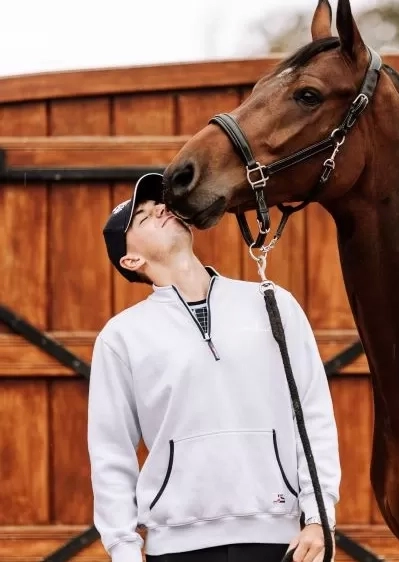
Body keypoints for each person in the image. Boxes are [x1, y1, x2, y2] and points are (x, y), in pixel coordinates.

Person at [87, 172, 341, 562]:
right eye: (144, 217)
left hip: (278, 537)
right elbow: (110, 453)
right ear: (131, 259)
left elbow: (311, 413)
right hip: (176, 547)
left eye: (161, 205)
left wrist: (320, 515)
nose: (160, 210)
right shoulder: (121, 337)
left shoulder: (272, 304)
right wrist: (123, 549)